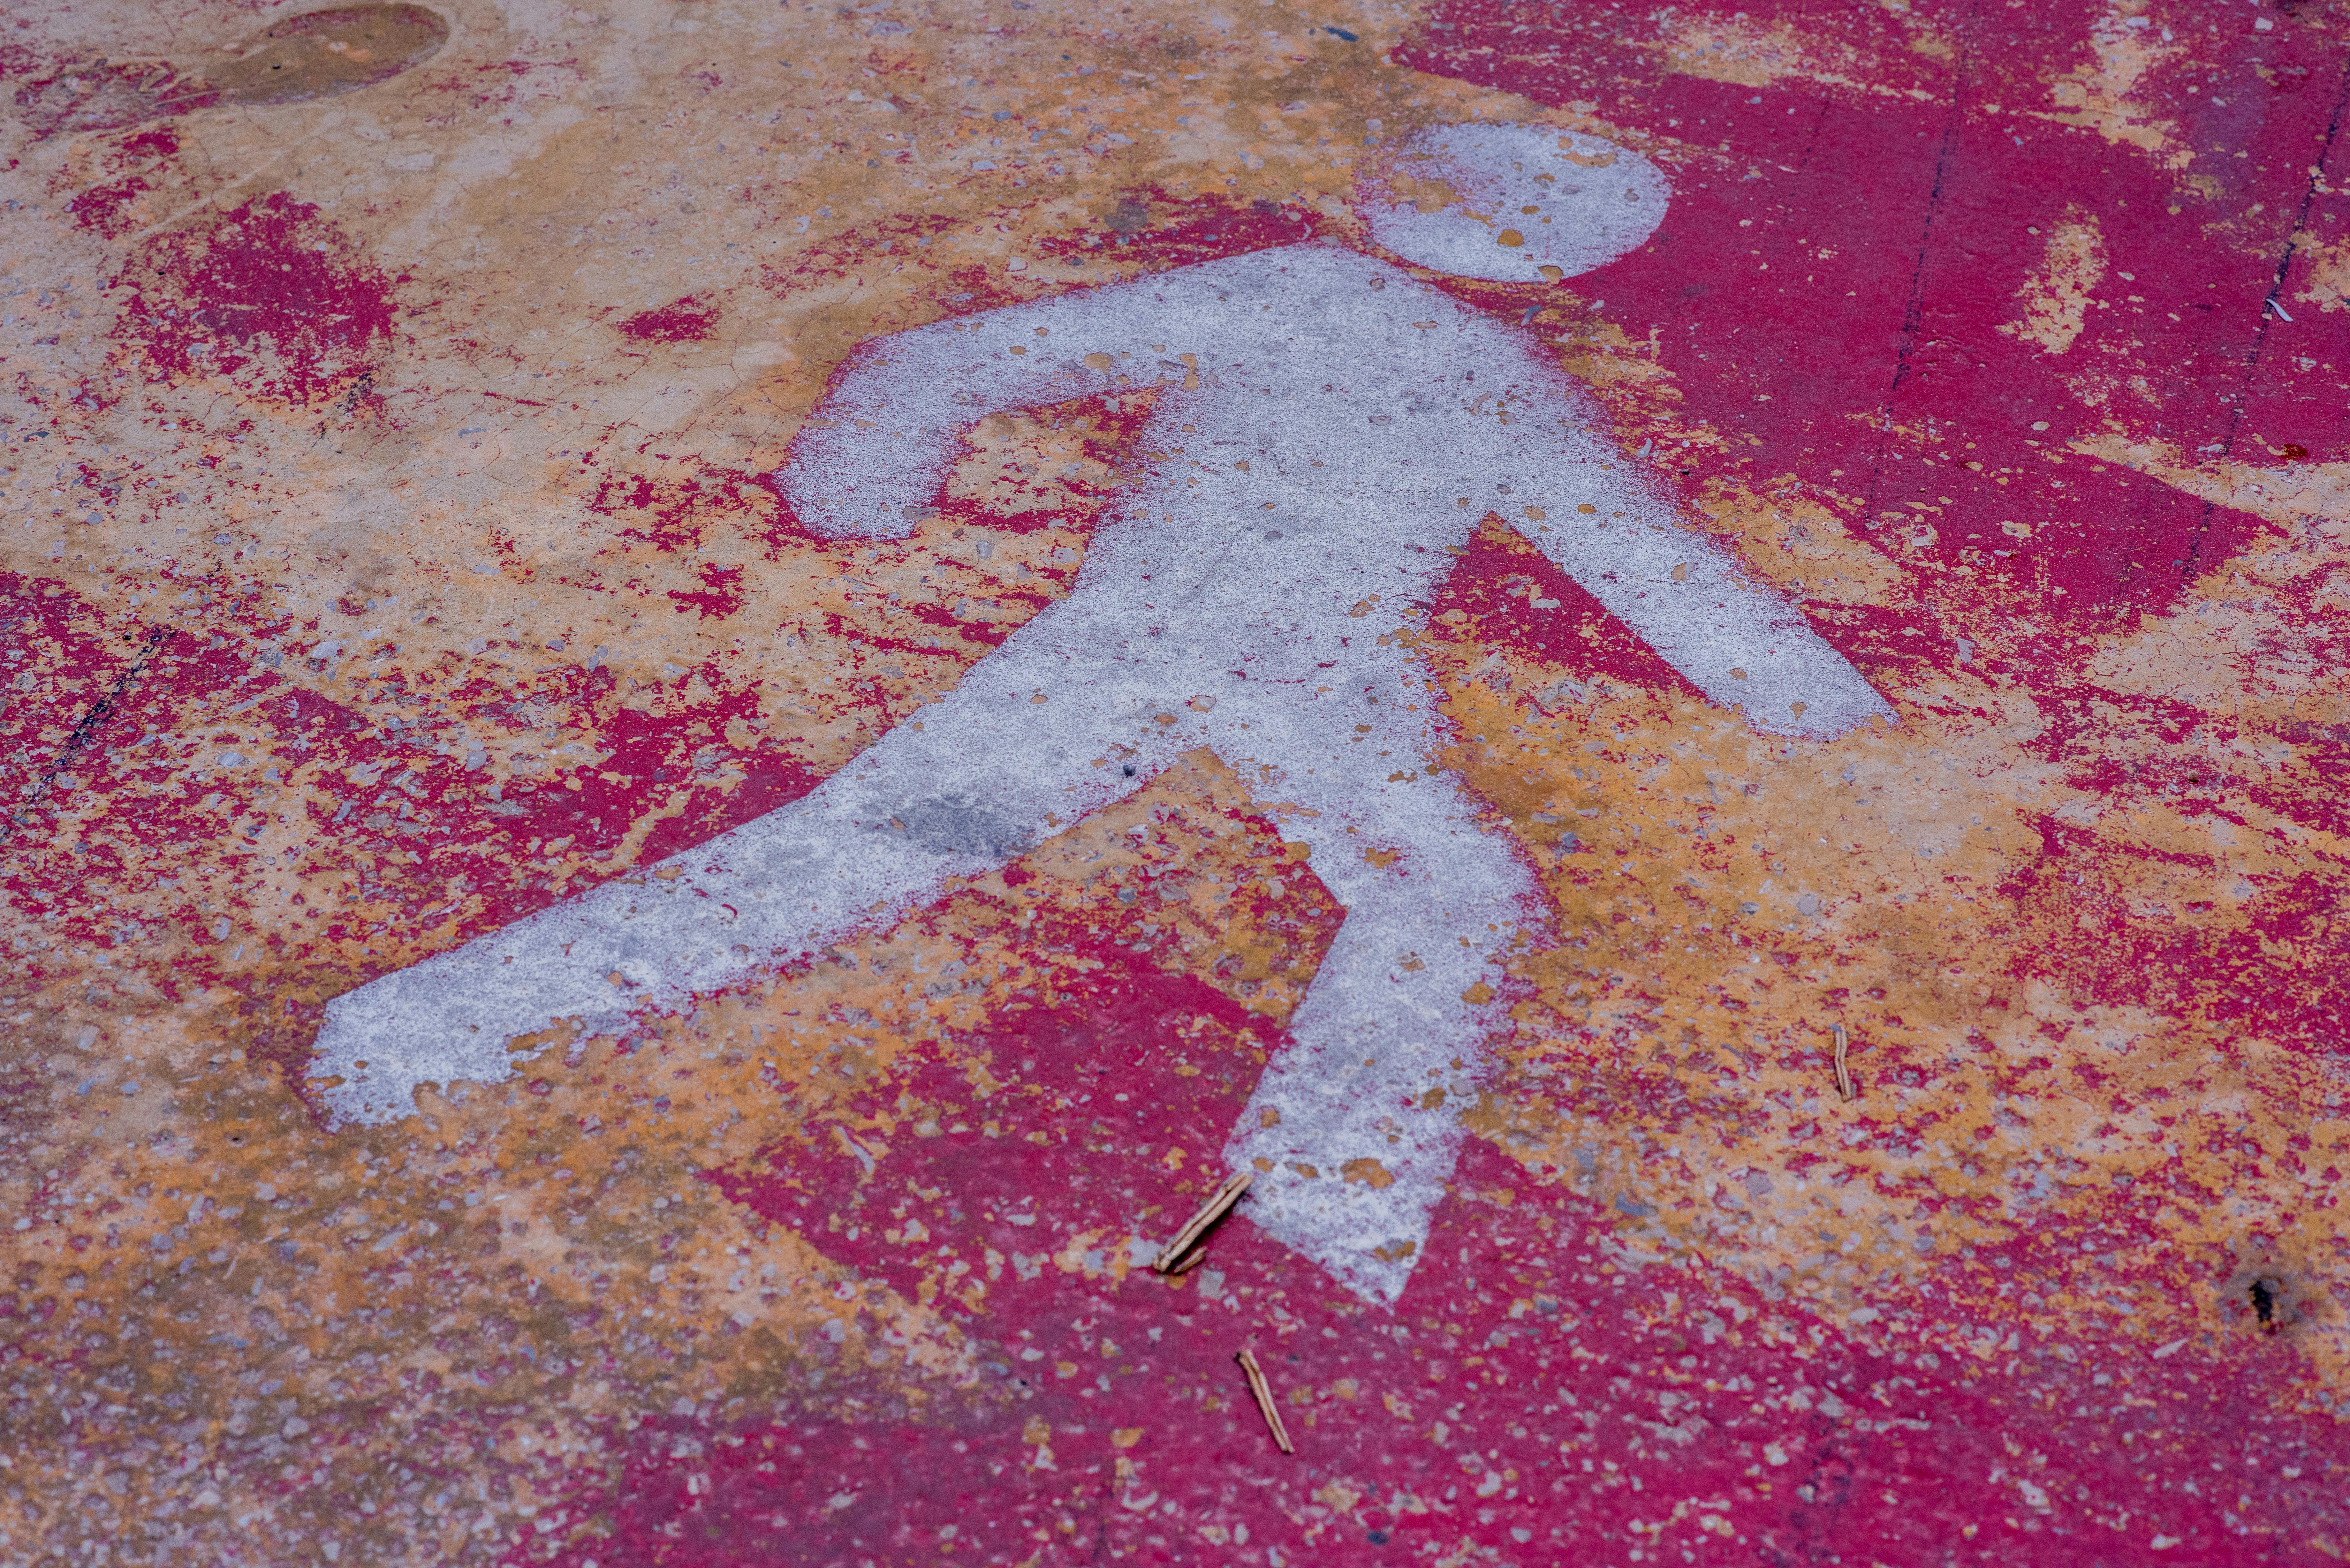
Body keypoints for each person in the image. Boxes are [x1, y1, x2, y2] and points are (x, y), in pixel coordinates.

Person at [314, 123, 1889, 1303]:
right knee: (1445, 888)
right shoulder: (1493, 378)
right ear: (1566, 266)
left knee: (874, 845)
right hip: (1300, 660)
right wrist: (1828, 715)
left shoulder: (1292, 293)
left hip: (1179, 638)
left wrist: (853, 494)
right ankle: (1330, 1197)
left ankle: (413, 1036)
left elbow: (948, 359)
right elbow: (1652, 565)